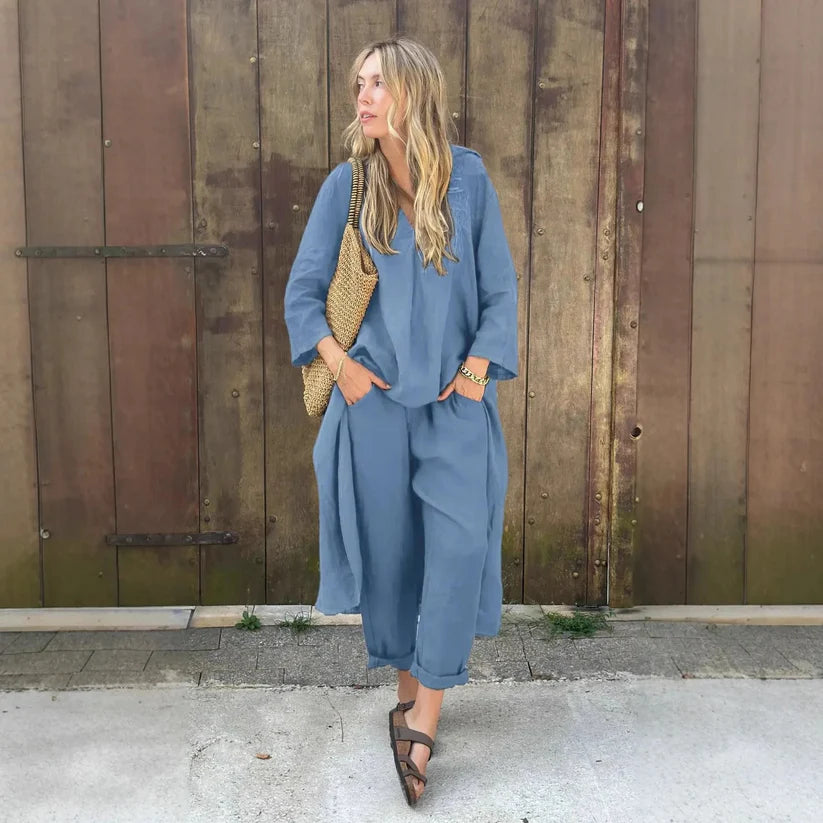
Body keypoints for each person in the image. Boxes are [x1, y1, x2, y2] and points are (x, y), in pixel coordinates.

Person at [283, 35, 519, 805]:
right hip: (374, 409)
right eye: (359, 83)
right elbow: (302, 294)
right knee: (393, 557)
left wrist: (477, 370)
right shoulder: (348, 185)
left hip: (455, 406)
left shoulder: (467, 178)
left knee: (456, 550)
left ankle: (422, 717)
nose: (363, 96)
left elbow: (499, 289)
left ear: (415, 91)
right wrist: (343, 367)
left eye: (378, 83)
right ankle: (408, 696)